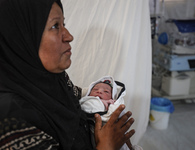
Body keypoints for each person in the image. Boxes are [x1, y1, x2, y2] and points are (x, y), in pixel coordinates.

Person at [0, 0, 135, 150]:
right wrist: (107, 146)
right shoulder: (10, 122)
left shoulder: (53, 78)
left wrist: (103, 95)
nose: (69, 36)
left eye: (64, 24)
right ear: (21, 37)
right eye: (55, 26)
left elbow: (75, 94)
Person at [80, 76, 142, 150]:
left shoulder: (114, 105)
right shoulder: (86, 101)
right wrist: (100, 101)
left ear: (113, 98)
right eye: (95, 89)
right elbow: (87, 107)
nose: (99, 91)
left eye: (106, 91)